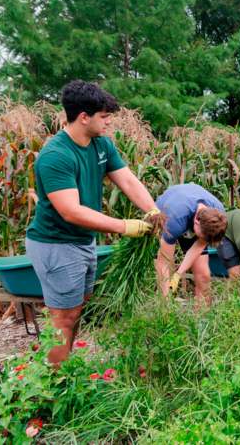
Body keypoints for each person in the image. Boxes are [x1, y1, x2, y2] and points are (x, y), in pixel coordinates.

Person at [25, 80, 164, 365]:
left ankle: (65, 365)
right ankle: (54, 384)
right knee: (64, 317)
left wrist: (152, 210)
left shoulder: (101, 144)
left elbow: (126, 179)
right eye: (104, 116)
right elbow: (71, 211)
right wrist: (124, 226)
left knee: (77, 310)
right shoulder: (56, 155)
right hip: (56, 243)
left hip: (82, 241)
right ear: (83, 117)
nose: (108, 122)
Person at [154, 184, 227, 304]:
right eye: (201, 237)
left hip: (188, 213)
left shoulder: (218, 216)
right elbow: (163, 263)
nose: (201, 240)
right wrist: (169, 283)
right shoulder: (174, 220)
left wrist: (178, 274)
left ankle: (203, 314)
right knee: (166, 272)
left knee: (203, 275)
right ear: (197, 221)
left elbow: (198, 246)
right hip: (166, 215)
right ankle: (164, 309)